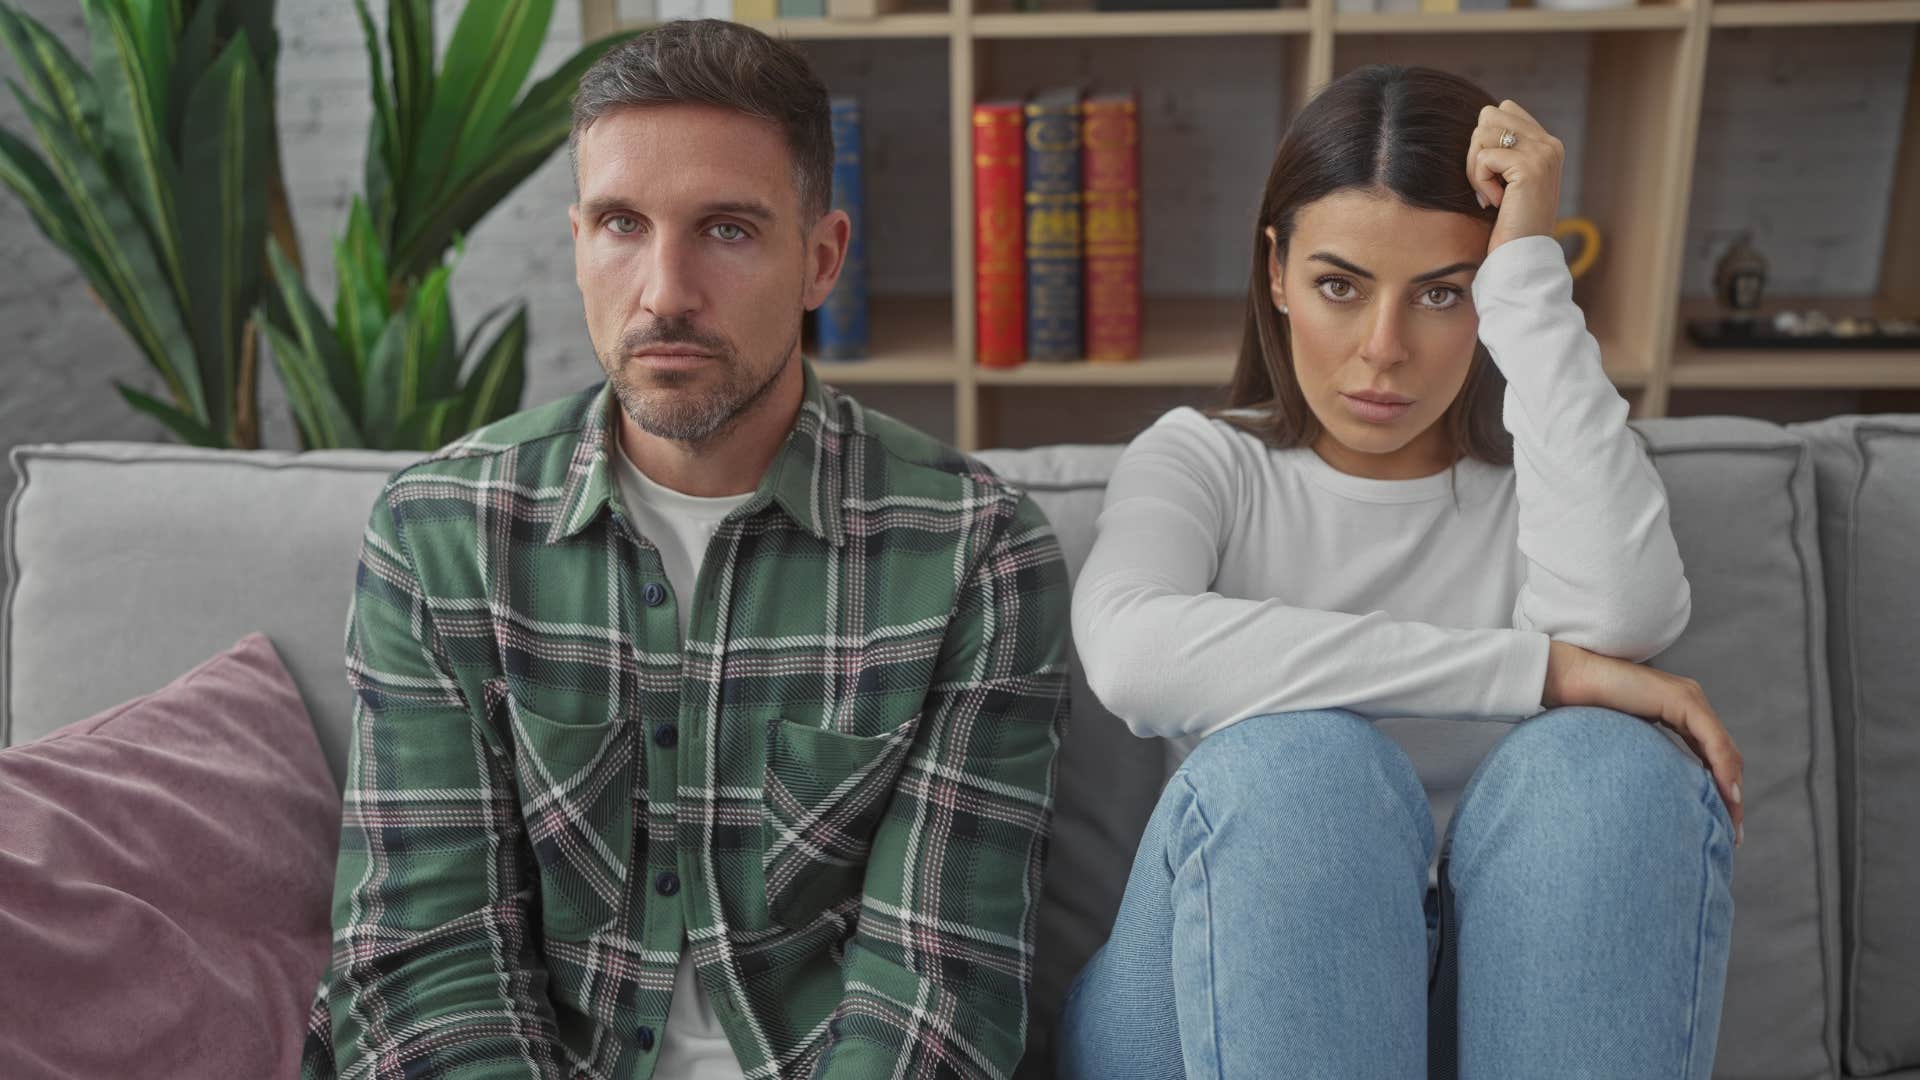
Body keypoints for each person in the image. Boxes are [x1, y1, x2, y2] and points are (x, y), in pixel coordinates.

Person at [300, 20, 1070, 1080]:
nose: (664, 290)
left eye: (728, 230)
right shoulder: (440, 535)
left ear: (822, 259)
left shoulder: (975, 554)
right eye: (622, 223)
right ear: (578, 241)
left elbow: (936, 991)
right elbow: (430, 965)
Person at [1057, 64, 1744, 1080]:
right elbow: (1133, 656)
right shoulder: (1203, 457)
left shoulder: (1546, 481)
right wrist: (1538, 672)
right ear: (1278, 273)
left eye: (1443, 293)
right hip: (1213, 992)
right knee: (1301, 770)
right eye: (1340, 285)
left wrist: (1527, 279)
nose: (1384, 352)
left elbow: (1625, 616)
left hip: (1491, 1000)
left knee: (1617, 773)